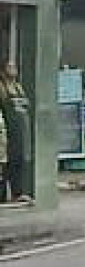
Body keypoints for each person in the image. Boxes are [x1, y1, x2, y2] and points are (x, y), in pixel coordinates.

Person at [0, 55, 29, 203]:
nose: (13, 69)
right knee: (5, 164)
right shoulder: (2, 87)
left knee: (19, 161)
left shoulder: (18, 87)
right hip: (6, 131)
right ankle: (2, 195)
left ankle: (18, 193)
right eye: (9, 67)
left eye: (14, 66)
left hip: (20, 131)